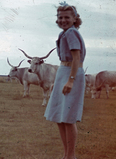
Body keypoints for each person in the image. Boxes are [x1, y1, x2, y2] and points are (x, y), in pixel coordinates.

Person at [44, 2, 86, 159]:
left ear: (75, 18)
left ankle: (71, 156)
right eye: (60, 17)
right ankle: (66, 155)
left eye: (67, 17)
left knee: (68, 118)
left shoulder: (71, 33)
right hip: (64, 72)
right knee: (60, 118)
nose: (62, 20)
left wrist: (70, 80)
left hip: (71, 73)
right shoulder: (65, 33)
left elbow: (76, 58)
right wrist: (60, 79)